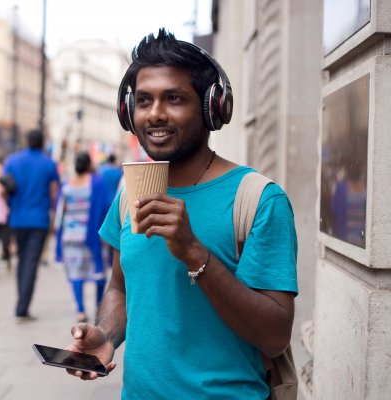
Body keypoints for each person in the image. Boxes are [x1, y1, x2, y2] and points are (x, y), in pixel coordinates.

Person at [65, 29, 298, 400]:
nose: (155, 114)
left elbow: (274, 336)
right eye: (143, 101)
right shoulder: (129, 193)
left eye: (174, 99)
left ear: (211, 108)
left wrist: (194, 252)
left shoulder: (258, 199)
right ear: (128, 112)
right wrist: (106, 334)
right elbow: (120, 287)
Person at [3, 129, 60, 321]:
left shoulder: (13, 160)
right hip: (39, 219)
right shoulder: (48, 162)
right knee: (31, 262)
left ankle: (21, 302)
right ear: (42, 142)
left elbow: (4, 188)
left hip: (18, 218)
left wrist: (11, 205)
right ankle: (22, 306)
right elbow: (53, 192)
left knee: (21, 259)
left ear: (27, 140)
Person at [54, 152, 111, 323]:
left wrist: (58, 234)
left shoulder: (66, 185)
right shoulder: (97, 183)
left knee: (75, 273)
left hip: (70, 237)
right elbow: (107, 207)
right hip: (93, 236)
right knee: (98, 273)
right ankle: (99, 306)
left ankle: (80, 310)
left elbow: (59, 213)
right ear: (88, 165)